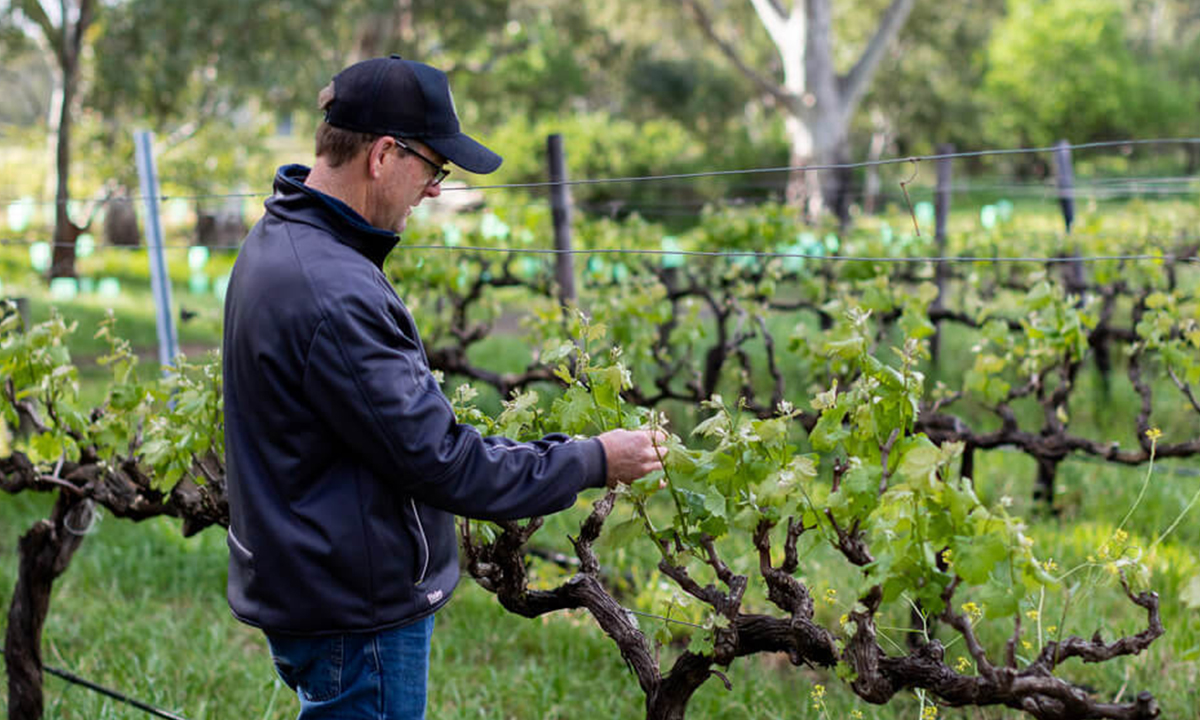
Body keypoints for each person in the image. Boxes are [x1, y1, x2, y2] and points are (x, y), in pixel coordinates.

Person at [221, 55, 665, 719]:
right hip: (357, 614)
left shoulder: (282, 240)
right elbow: (443, 462)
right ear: (382, 155)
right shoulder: (331, 289)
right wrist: (596, 458)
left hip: (316, 586)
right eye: (434, 167)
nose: (433, 189)